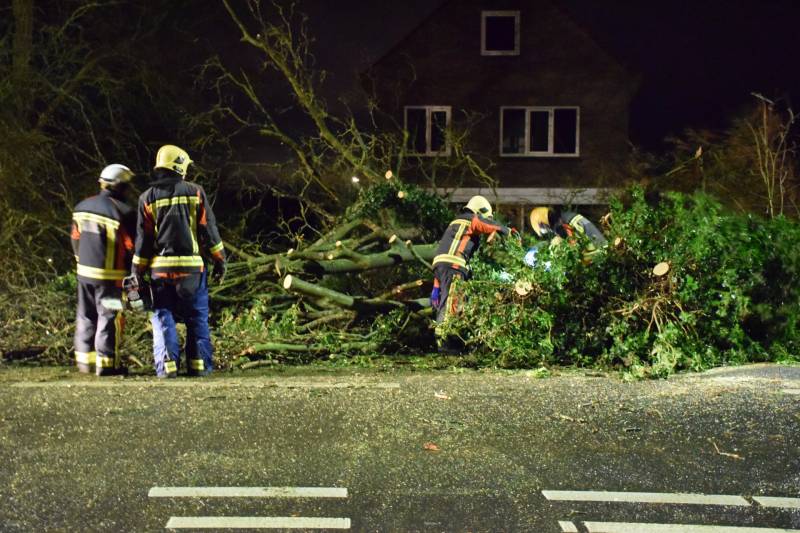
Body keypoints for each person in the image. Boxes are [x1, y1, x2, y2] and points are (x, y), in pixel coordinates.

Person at [132, 145, 226, 378]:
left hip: (160, 273)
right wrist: (220, 260)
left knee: (163, 316)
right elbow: (209, 229)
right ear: (180, 166)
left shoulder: (147, 198)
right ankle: (199, 366)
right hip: (193, 271)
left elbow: (143, 240)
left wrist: (137, 271)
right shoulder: (195, 192)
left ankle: (167, 367)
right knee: (197, 319)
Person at [71, 164, 136, 375]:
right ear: (121, 186)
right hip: (111, 280)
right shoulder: (124, 212)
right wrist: (133, 273)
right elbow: (130, 246)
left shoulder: (81, 206)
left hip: (84, 276)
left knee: (85, 315)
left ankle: (85, 363)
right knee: (109, 317)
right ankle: (107, 365)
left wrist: (80, 261)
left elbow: (75, 238)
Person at [431, 195, 511, 352]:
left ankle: (453, 341)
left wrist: (436, 287)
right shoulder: (470, 219)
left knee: (450, 302)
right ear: (479, 211)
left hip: (441, 266)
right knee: (451, 305)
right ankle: (445, 344)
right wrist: (506, 230)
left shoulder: (456, 223)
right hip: (453, 265)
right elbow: (484, 224)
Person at [529, 206, 607, 262]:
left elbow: (572, 244)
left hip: (596, 254)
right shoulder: (564, 217)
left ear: (543, 222)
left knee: (556, 245)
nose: (546, 230)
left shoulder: (559, 225)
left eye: (543, 228)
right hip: (602, 247)